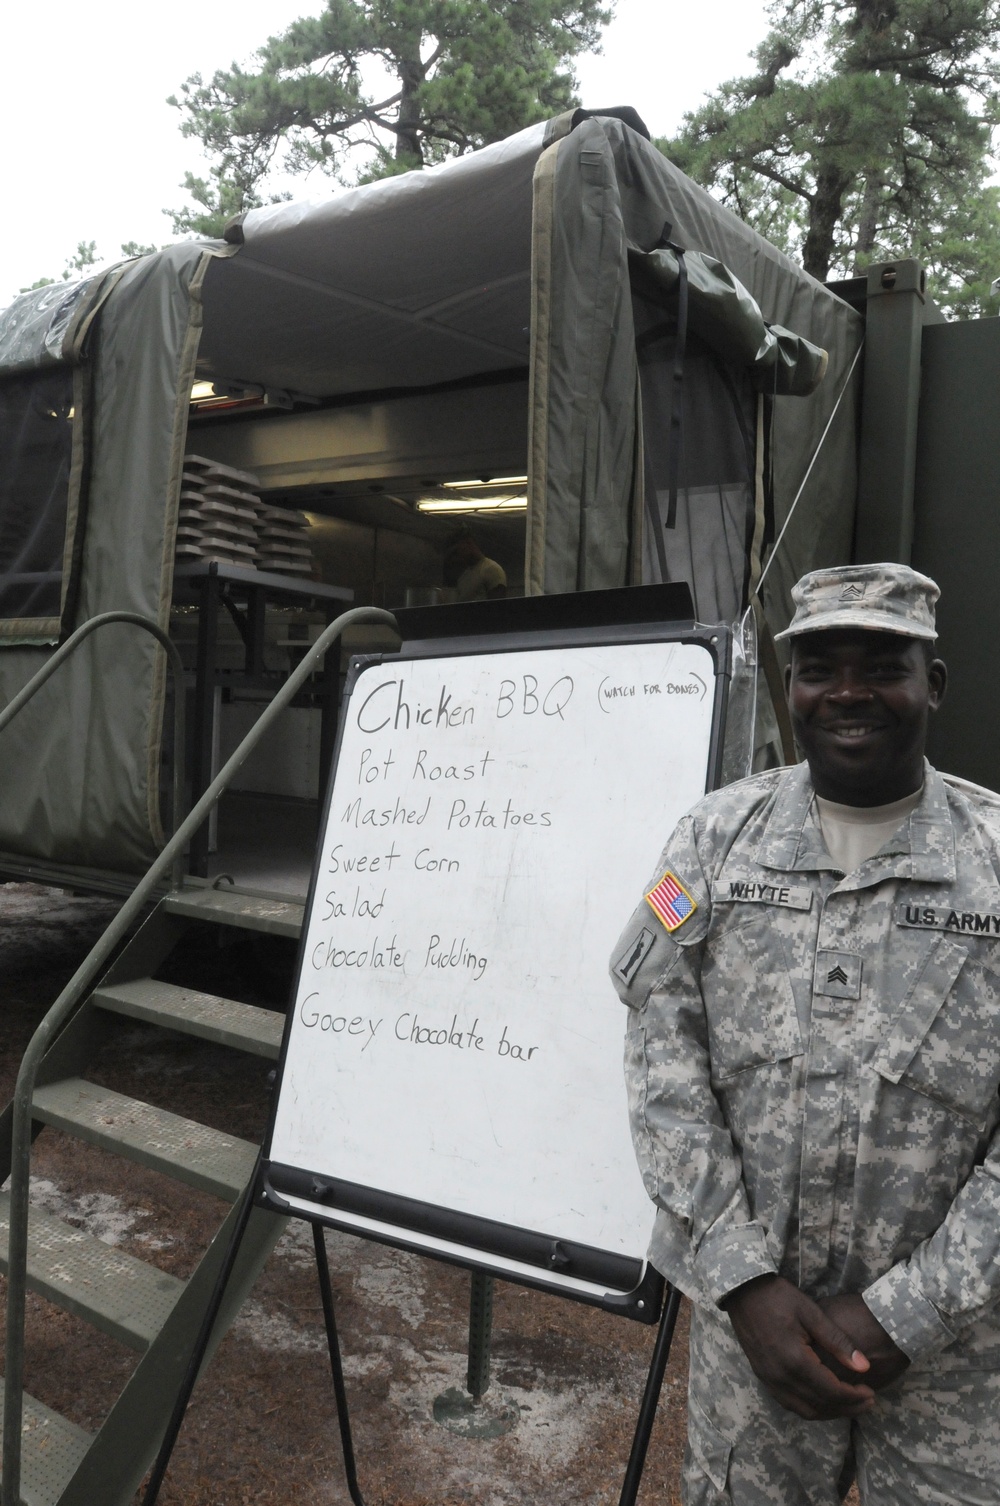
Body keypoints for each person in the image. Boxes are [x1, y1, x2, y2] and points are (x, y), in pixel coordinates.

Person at [610, 562, 1000, 1505]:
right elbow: (663, 1050)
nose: (850, 692)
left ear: (933, 685)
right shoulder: (713, 840)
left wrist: (910, 1308)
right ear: (791, 689)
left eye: (884, 665)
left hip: (958, 1355)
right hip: (758, 1341)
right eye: (821, 667)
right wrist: (743, 1282)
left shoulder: (994, 860)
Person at [444, 531, 507, 601]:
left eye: (459, 550)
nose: (458, 556)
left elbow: (498, 606)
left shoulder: (492, 569)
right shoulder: (463, 578)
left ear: (469, 543)